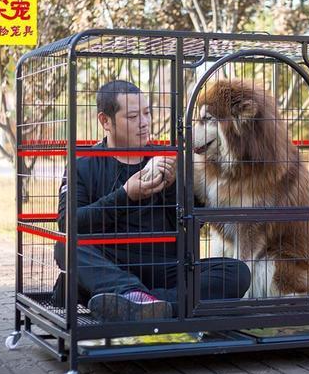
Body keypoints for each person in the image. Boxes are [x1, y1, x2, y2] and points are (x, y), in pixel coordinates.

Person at [53, 80, 250, 322]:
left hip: (164, 266)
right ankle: (142, 298)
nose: (144, 123)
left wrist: (173, 187)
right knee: (66, 247)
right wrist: (125, 195)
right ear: (105, 121)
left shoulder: (167, 158)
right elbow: (68, 223)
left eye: (147, 113)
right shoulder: (83, 165)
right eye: (133, 116)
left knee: (237, 272)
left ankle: (145, 303)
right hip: (112, 264)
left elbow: (190, 226)